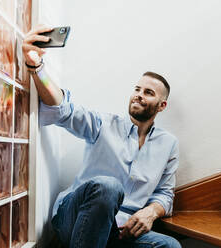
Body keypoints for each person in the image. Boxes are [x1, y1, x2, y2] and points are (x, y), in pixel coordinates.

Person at [23, 25, 181, 248]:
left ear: (162, 105)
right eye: (137, 89)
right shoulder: (103, 124)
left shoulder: (168, 144)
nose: (138, 95)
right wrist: (36, 67)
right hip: (75, 217)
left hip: (121, 230)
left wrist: (150, 212)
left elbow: (165, 194)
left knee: (170, 246)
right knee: (109, 186)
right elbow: (62, 109)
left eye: (148, 93)